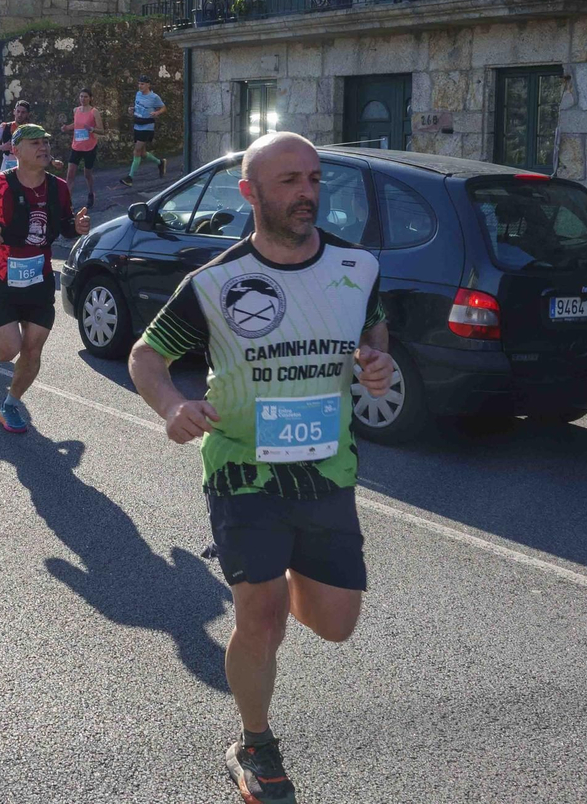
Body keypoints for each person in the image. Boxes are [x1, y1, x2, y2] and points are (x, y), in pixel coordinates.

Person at [127, 131, 396, 804]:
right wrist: (169, 407)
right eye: (289, 182)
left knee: (335, 623)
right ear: (249, 192)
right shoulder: (214, 283)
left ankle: (278, 591)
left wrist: (375, 364)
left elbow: (373, 336)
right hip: (242, 470)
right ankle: (254, 740)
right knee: (260, 613)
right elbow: (145, 355)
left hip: (326, 469)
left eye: (313, 179)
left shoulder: (358, 267)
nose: (307, 193)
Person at [0, 123, 90, 433]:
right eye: (35, 143)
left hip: (40, 278)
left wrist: (77, 227)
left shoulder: (58, 187)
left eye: (46, 142)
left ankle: (11, 404)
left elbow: (62, 226)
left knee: (33, 348)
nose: (44, 147)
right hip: (3, 277)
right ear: (16, 150)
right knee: (10, 350)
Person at [121, 74, 166, 187]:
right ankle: (160, 163)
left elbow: (163, 107)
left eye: (142, 84)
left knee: (136, 151)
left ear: (148, 85)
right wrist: (132, 109)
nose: (140, 86)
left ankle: (130, 178)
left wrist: (157, 113)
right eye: (139, 84)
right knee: (142, 153)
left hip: (147, 127)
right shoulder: (138, 94)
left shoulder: (154, 97)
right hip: (137, 125)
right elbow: (139, 107)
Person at [59, 87, 100, 207]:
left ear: (90, 98)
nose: (83, 99)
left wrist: (92, 129)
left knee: (87, 174)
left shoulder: (94, 112)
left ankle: (91, 193)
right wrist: (67, 127)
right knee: (70, 175)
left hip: (90, 148)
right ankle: (67, 203)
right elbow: (77, 124)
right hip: (76, 147)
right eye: (81, 96)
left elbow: (101, 129)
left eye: (86, 96)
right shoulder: (76, 110)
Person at [0, 99, 33, 172]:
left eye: (23, 112)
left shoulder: (31, 130)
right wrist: (1, 147)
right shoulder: (5, 127)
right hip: (7, 165)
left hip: (24, 165)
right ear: (14, 112)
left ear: (27, 114)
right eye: (18, 111)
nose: (20, 115)